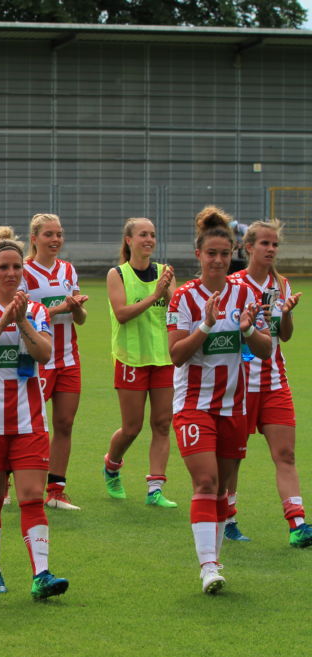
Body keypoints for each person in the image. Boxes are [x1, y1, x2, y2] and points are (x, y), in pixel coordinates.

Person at [167, 206, 271, 594]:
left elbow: (265, 350)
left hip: (233, 406)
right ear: (198, 255)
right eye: (211, 253)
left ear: (233, 256)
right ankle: (208, 567)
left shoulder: (246, 294)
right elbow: (177, 355)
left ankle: (214, 560)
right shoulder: (183, 298)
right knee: (206, 481)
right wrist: (207, 325)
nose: (218, 260)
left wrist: (247, 331)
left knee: (224, 489)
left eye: (225, 254)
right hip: (193, 405)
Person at [0, 226, 69, 599]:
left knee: (31, 496)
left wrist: (21, 320)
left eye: (17, 267)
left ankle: (42, 574)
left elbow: (44, 353)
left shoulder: (36, 311)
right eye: (4, 267)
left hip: (29, 421)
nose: (11, 273)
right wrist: (3, 320)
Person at [226, 219, 312, 547]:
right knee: (233, 457)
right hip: (239, 385)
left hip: (275, 383)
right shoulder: (233, 285)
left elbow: (284, 336)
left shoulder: (282, 284)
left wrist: (286, 314)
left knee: (285, 454)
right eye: (265, 243)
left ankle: (298, 524)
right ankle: (228, 519)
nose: (271, 249)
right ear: (248, 247)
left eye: (275, 244)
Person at [101, 218, 178, 508]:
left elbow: (178, 310)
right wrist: (155, 295)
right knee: (131, 428)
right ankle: (112, 465)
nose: (149, 239)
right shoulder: (117, 274)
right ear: (129, 240)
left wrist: (167, 293)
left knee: (162, 424)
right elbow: (122, 313)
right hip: (131, 358)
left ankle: (155, 488)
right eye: (143, 234)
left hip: (163, 358)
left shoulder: (164, 273)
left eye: (152, 235)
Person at [20, 213, 88, 511]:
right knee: (29, 424)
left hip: (69, 358)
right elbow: (22, 316)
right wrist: (61, 307)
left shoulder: (68, 270)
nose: (56, 239)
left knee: (64, 423)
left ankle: (56, 491)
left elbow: (80, 319)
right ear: (34, 238)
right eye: (49, 234)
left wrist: (77, 308)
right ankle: (10, 482)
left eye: (59, 234)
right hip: (39, 359)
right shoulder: (23, 272)